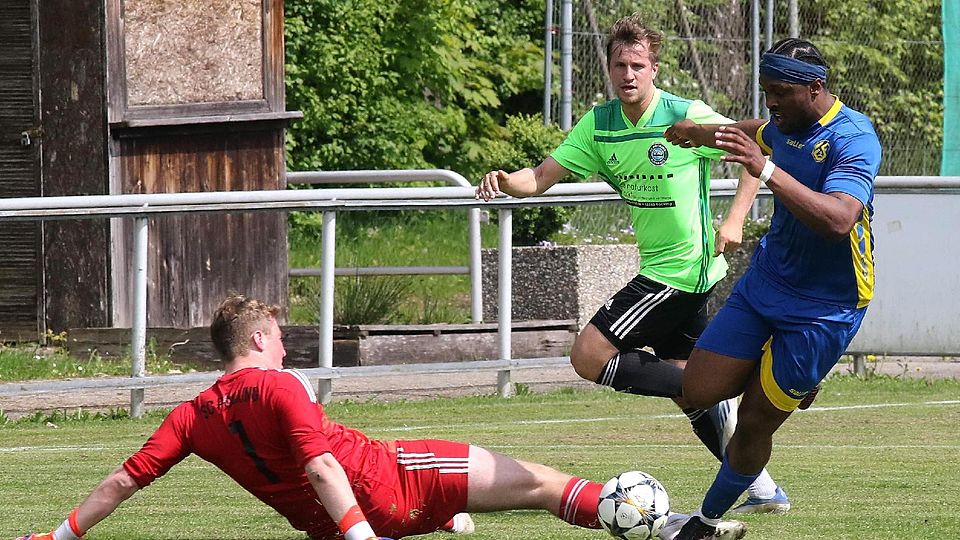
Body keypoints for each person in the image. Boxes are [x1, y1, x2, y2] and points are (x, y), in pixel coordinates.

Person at [15, 294, 747, 540]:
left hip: (340, 521)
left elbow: (120, 481)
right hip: (394, 479)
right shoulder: (281, 386)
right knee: (543, 484)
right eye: (279, 332)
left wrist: (59, 533)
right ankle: (669, 526)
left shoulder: (191, 417)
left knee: (501, 499)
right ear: (261, 341)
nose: (285, 342)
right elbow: (323, 462)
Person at [476, 13, 789, 514]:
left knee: (588, 356)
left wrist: (734, 221)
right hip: (682, 273)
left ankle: (733, 379)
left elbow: (752, 154)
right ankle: (762, 486)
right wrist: (504, 180)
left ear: (654, 68)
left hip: (678, 271)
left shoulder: (685, 116)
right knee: (690, 393)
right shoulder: (598, 125)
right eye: (619, 64)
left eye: (637, 65)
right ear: (609, 67)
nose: (628, 74)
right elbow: (540, 177)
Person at [662, 38, 882, 540]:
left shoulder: (854, 137)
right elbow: (749, 132)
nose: (772, 104)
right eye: (766, 93)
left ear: (815, 87)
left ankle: (707, 520)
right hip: (766, 283)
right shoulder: (780, 126)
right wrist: (697, 132)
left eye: (780, 92)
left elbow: (840, 219)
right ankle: (781, 370)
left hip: (827, 307)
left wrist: (766, 171)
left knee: (755, 423)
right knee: (699, 387)